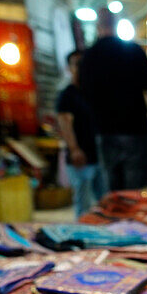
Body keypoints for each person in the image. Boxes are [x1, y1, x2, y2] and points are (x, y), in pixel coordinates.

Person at [78, 8, 147, 191]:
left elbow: (84, 94)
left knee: (114, 193)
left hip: (104, 132)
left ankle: (118, 220)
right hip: (135, 131)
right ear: (117, 23)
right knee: (136, 192)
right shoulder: (132, 51)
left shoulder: (89, 56)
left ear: (97, 26)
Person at [56, 50, 105, 216]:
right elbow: (65, 123)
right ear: (69, 68)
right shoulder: (68, 95)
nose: (81, 68)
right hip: (81, 157)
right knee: (83, 204)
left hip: (98, 155)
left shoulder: (93, 93)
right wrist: (74, 148)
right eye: (76, 64)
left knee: (104, 201)